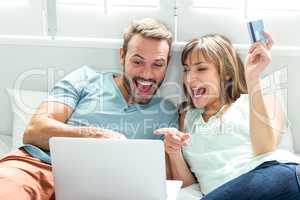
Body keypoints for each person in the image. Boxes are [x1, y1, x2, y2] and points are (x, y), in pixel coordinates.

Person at [0, 18, 178, 199]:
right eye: (138, 62)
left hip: (104, 187)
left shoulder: (167, 112)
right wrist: (96, 136)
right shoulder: (85, 79)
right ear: (123, 55)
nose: (147, 74)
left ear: (167, 64)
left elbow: (168, 176)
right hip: (40, 166)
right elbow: (35, 130)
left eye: (157, 64)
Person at [155, 33, 300, 199]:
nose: (189, 78)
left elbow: (265, 148)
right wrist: (174, 152)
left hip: (279, 177)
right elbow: (189, 185)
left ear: (226, 74)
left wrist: (253, 78)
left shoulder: (260, 100)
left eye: (201, 68)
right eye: (186, 69)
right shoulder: (187, 118)